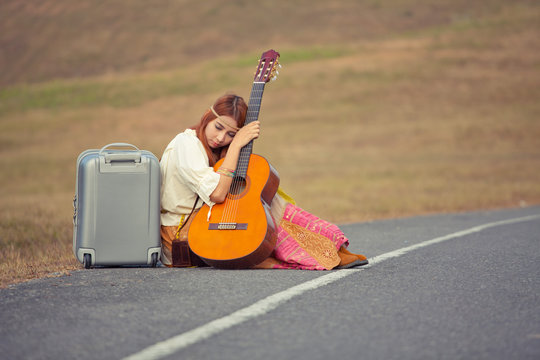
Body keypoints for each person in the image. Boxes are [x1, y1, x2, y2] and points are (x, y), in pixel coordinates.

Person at [159, 93, 368, 269]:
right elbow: (217, 193)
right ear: (207, 116)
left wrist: (235, 148)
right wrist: (236, 145)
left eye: (231, 134)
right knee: (259, 243)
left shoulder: (213, 149)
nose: (221, 138)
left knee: (267, 202)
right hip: (181, 234)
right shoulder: (186, 144)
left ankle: (331, 246)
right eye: (218, 127)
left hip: (206, 220)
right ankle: (319, 255)